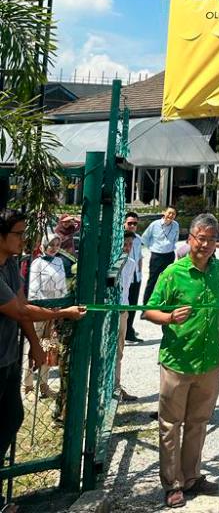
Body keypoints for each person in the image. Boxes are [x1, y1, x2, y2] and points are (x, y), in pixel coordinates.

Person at [0, 210, 85, 513]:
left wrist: (36, 345)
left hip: (7, 357)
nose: (24, 240)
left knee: (12, 418)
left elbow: (22, 305)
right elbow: (20, 311)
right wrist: (62, 313)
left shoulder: (10, 264)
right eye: (18, 234)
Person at [144, 212, 219, 510]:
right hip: (177, 362)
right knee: (170, 424)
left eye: (210, 240)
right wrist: (168, 317)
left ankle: (192, 476)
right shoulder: (173, 273)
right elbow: (148, 310)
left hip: (209, 361)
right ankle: (172, 484)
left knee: (198, 422)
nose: (204, 245)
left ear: (217, 243)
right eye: (199, 239)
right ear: (189, 239)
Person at [24, 233, 67, 398]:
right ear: (44, 245)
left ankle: (44, 384)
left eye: (57, 244)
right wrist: (44, 308)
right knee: (32, 346)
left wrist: (60, 304)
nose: (54, 248)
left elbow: (62, 286)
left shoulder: (59, 262)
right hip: (40, 309)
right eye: (51, 244)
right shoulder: (37, 263)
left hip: (55, 310)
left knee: (49, 347)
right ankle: (27, 386)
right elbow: (34, 290)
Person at [114, 231, 138, 403]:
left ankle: (116, 385)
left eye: (130, 244)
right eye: (125, 244)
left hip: (122, 310)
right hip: (108, 311)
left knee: (118, 351)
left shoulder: (131, 263)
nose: (127, 248)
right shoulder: (110, 264)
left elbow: (127, 289)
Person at [141, 207, 180, 309]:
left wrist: (170, 246)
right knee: (153, 280)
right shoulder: (155, 224)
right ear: (164, 213)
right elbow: (145, 238)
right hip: (157, 256)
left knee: (167, 280)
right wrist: (152, 247)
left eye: (173, 214)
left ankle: (162, 304)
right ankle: (146, 305)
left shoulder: (176, 225)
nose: (171, 216)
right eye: (169, 213)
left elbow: (176, 238)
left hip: (169, 255)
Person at [124, 212, 143, 343]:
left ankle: (129, 330)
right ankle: (124, 330)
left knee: (133, 304)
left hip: (136, 275)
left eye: (134, 223)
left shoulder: (138, 239)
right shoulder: (121, 238)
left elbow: (140, 256)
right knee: (125, 303)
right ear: (124, 223)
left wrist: (140, 273)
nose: (132, 225)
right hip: (125, 276)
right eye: (129, 223)